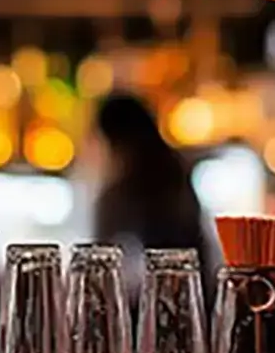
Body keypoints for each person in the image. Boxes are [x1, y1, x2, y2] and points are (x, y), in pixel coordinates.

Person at [90, 91, 219, 305]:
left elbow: (102, 260)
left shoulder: (124, 190)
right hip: (193, 299)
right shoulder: (175, 171)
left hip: (154, 309)